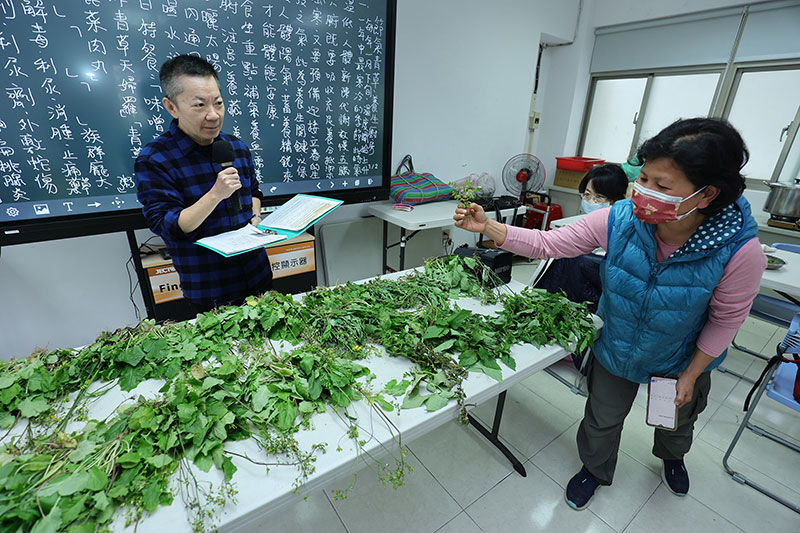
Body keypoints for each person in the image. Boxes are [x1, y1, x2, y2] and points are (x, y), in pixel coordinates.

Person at [454, 117, 766, 510]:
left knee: (676, 419)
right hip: (618, 343)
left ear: (706, 195)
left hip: (681, 355)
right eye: (644, 178)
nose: (643, 192)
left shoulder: (739, 252)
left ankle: (673, 457)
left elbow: (726, 320)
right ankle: (594, 469)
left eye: (662, 186)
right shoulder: (620, 218)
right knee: (601, 418)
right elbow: (551, 242)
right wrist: (492, 228)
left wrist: (691, 374)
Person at [135, 54, 272, 313]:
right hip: (209, 288)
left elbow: (253, 191)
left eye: (218, 103)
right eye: (199, 105)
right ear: (171, 107)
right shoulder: (155, 159)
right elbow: (169, 226)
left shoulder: (236, 147)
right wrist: (215, 194)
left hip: (258, 274)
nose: (213, 115)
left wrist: (255, 216)